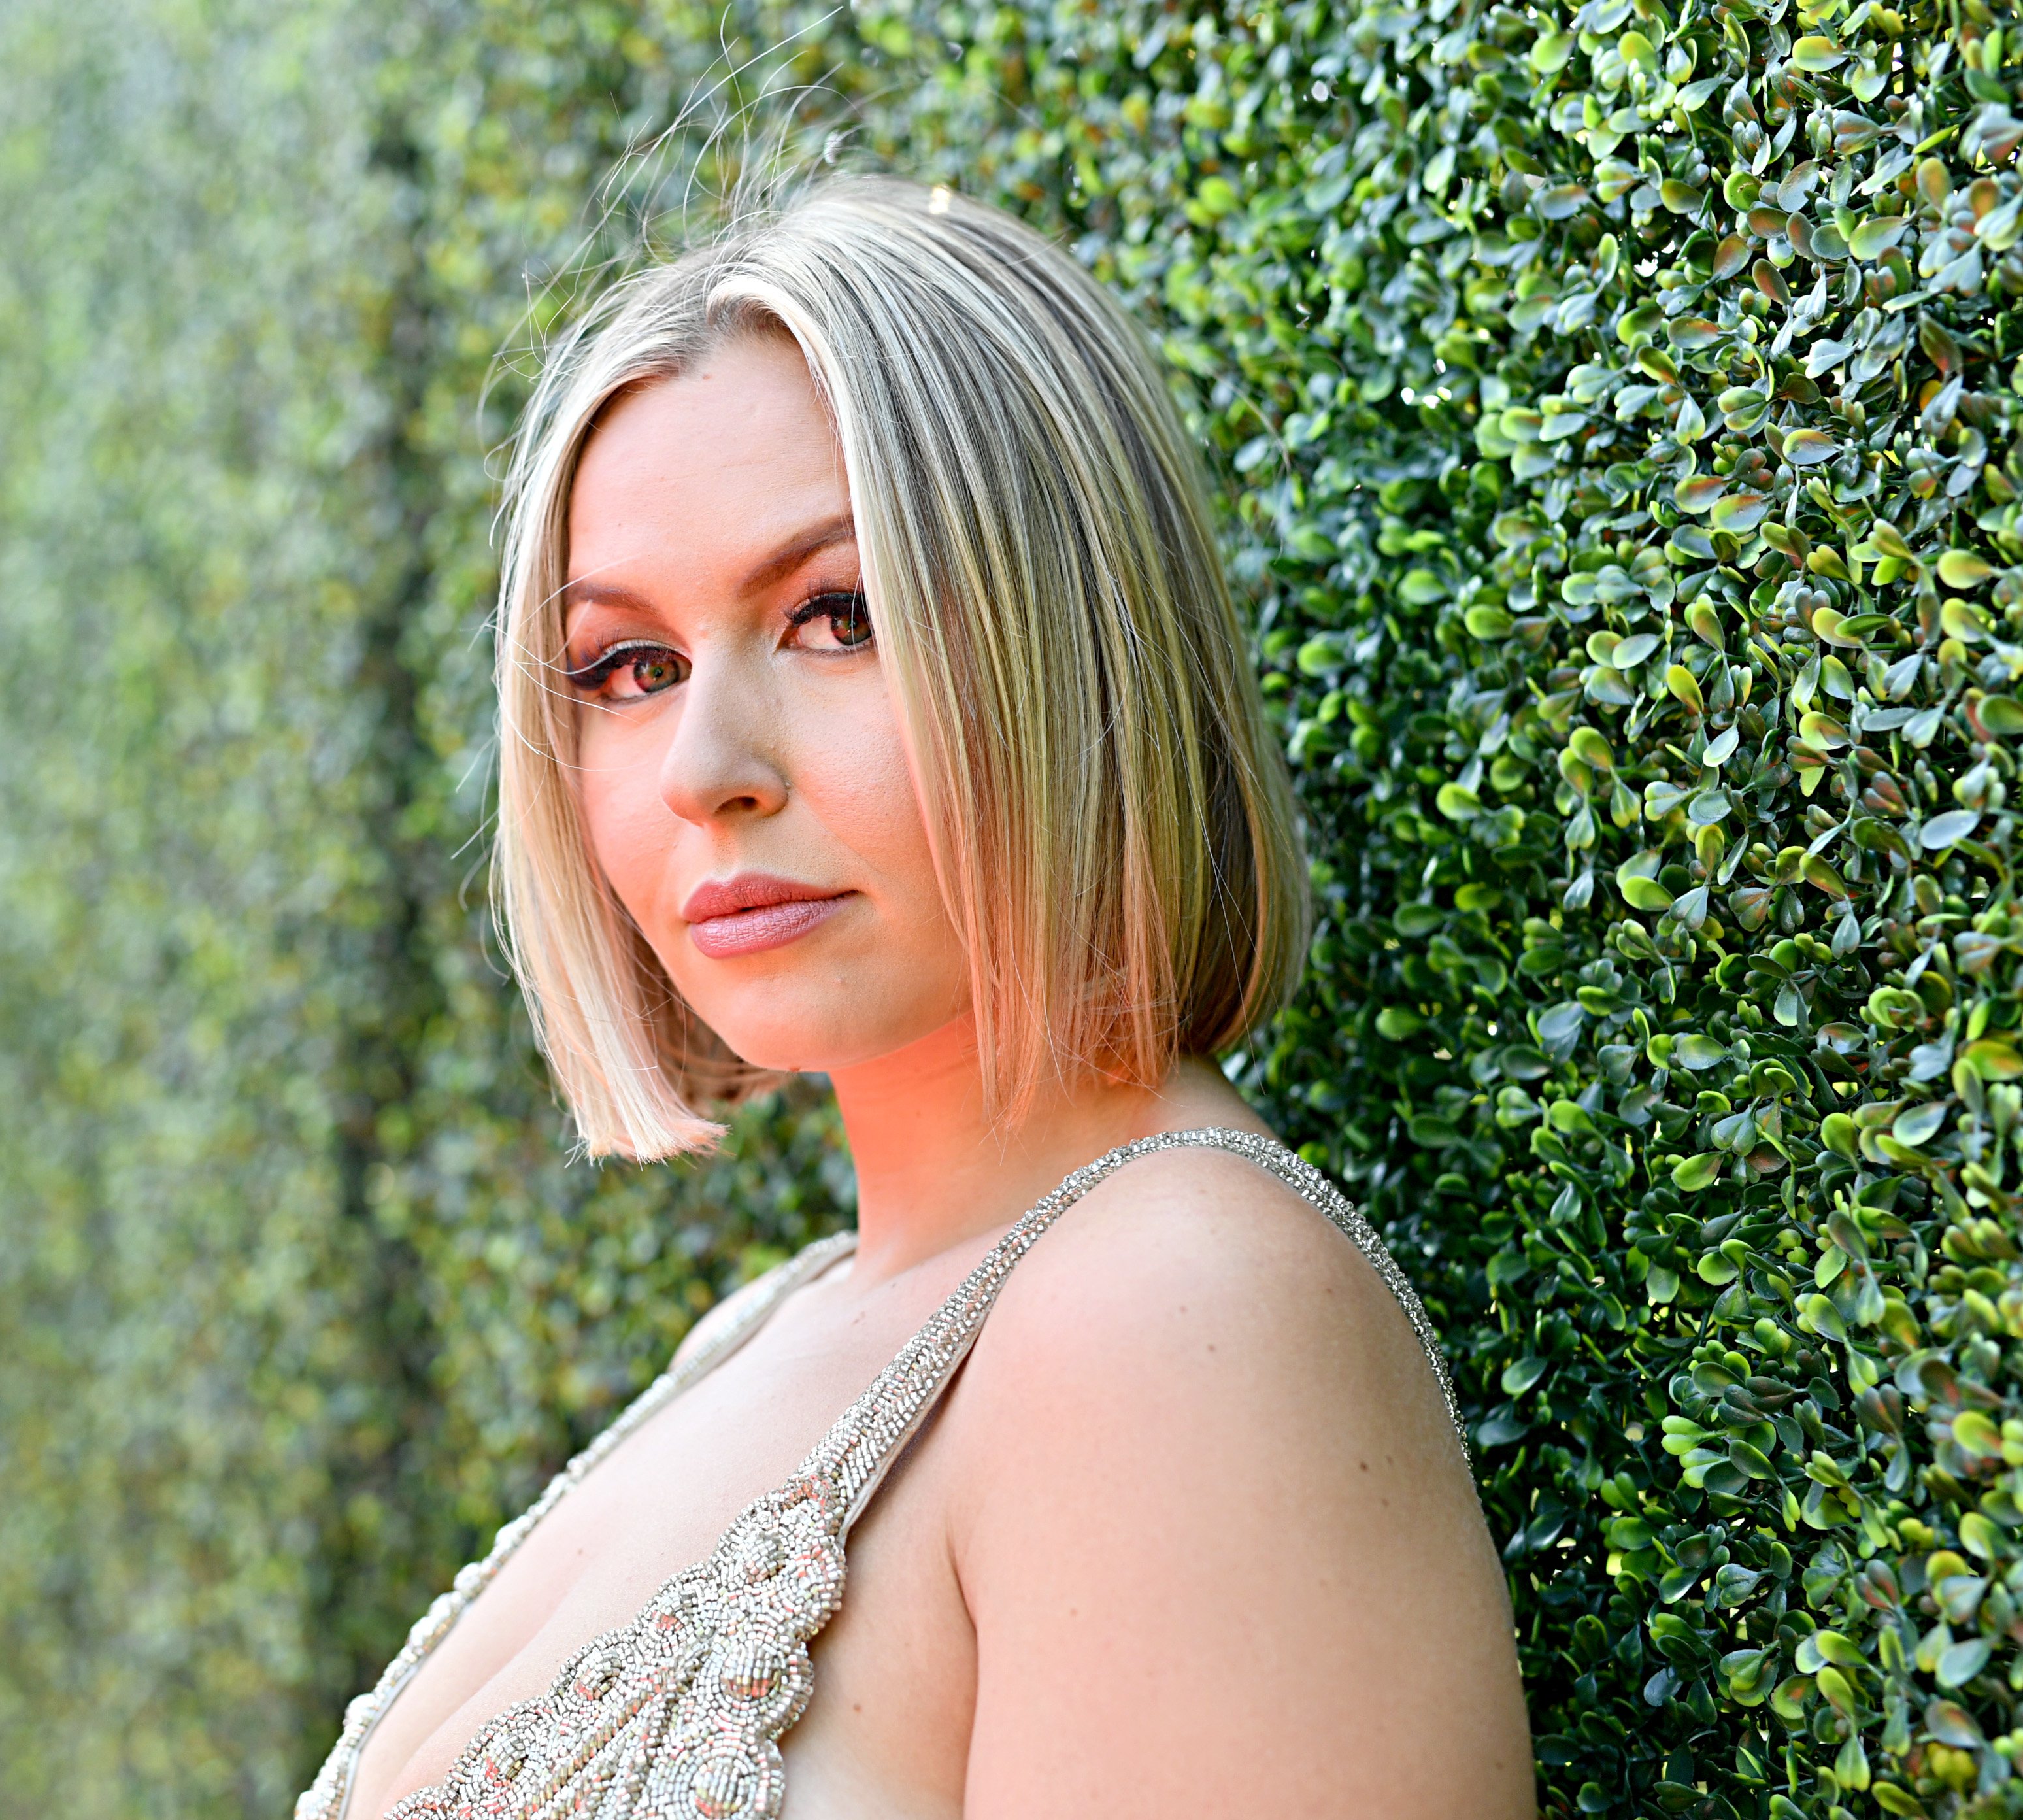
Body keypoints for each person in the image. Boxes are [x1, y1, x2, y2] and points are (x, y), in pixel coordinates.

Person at [298, 175, 1533, 1820]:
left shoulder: (1172, 1314)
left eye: (837, 617)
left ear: (1075, 643)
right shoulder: (770, 1329)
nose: (704, 772)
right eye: (629, 668)